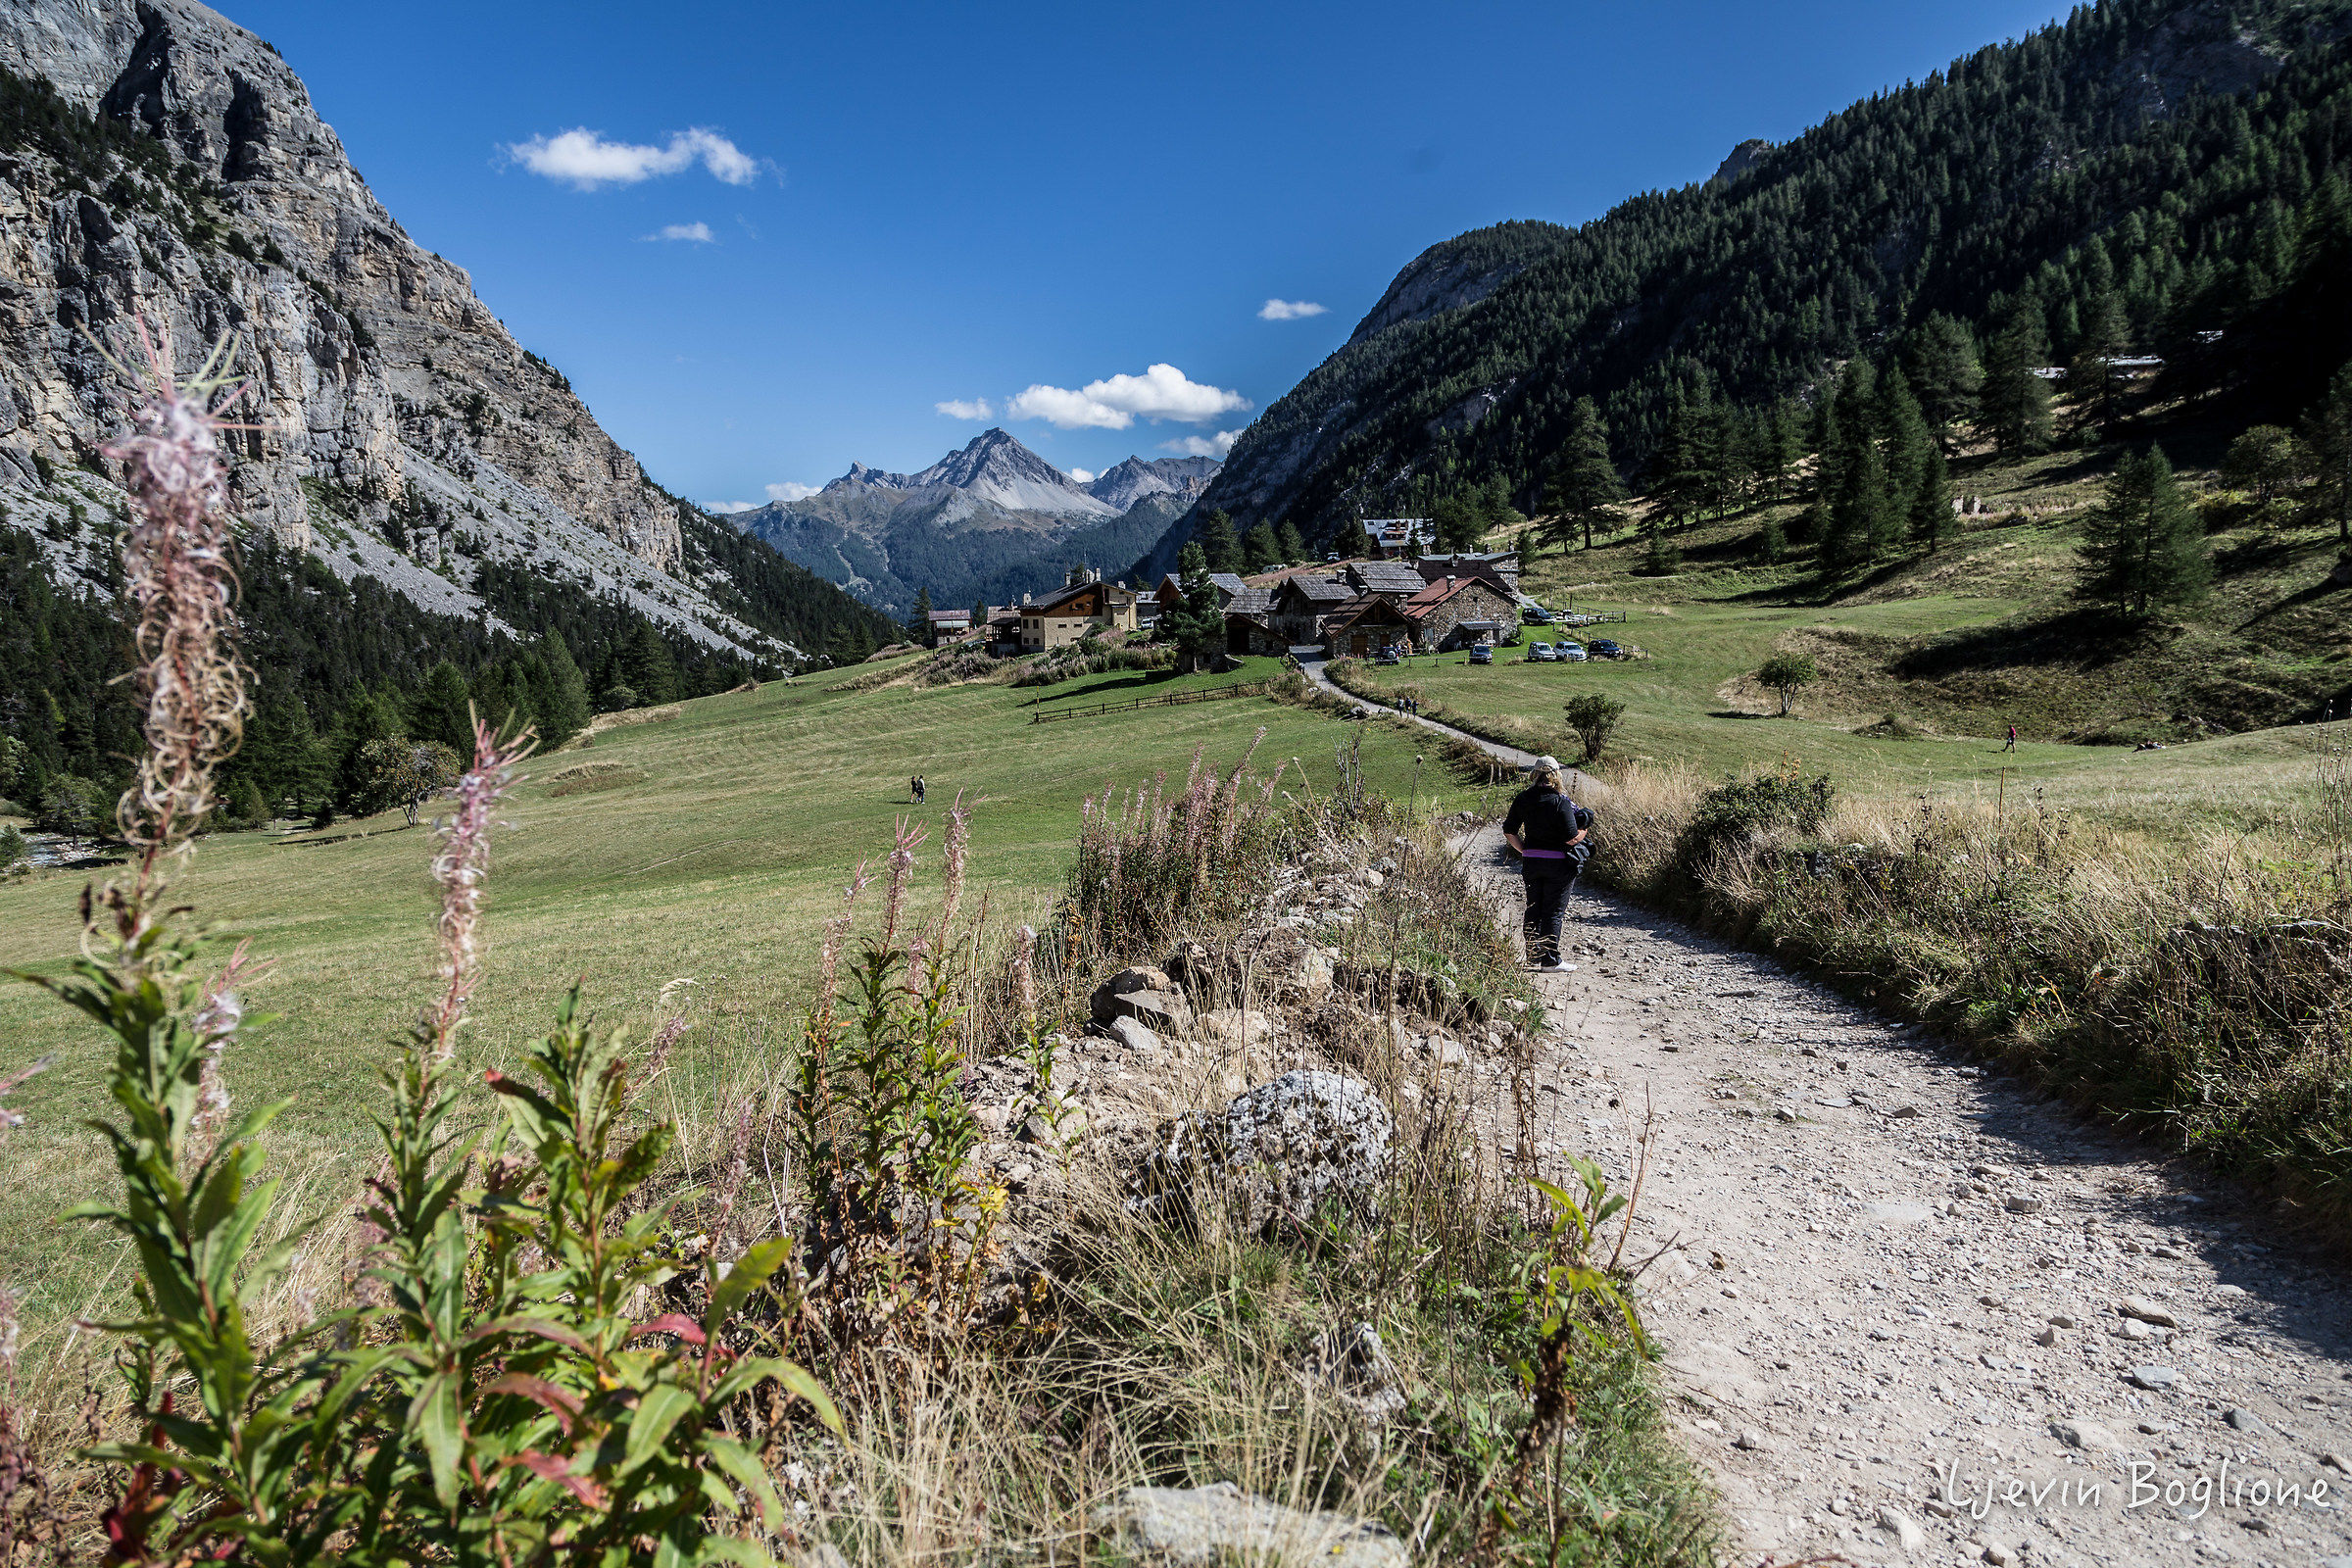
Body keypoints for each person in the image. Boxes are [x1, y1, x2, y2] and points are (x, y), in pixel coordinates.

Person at [1501, 755, 1592, 971]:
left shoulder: (1523, 798)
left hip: (1532, 863)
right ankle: (1550, 961)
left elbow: (1509, 830)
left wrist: (1524, 849)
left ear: (1535, 774)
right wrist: (1584, 831)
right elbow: (1571, 837)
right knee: (1553, 911)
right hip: (1558, 866)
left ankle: (1533, 956)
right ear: (1556, 775)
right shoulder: (1560, 801)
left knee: (1533, 908)